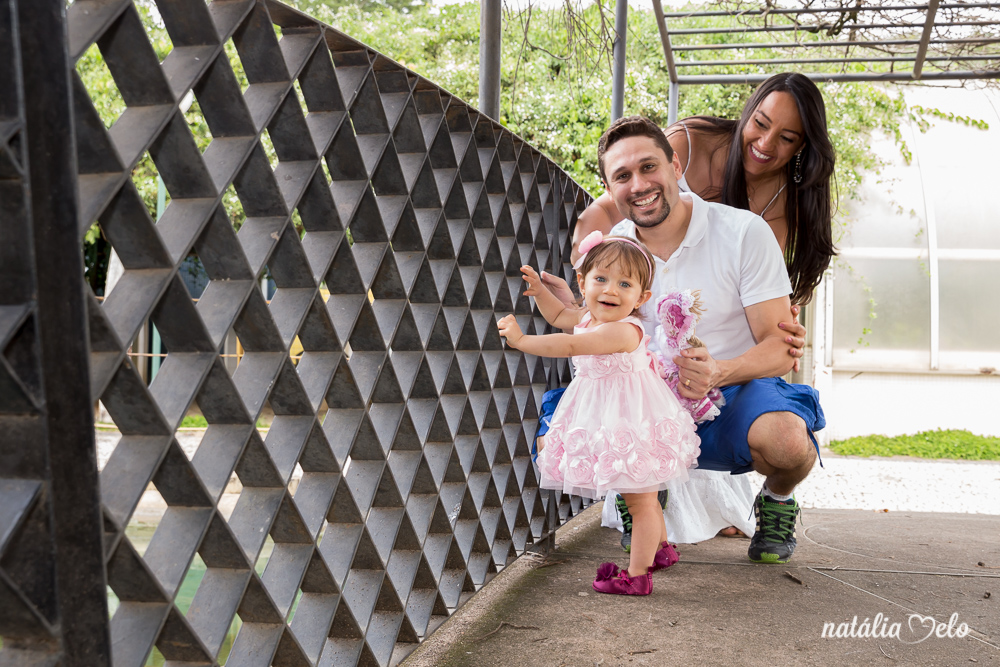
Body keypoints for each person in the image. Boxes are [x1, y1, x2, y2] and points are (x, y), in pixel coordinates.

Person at [542, 72, 835, 547]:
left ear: (676, 165)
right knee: (552, 434)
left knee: (787, 442)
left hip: (728, 393)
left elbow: (781, 347)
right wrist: (579, 303)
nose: (639, 185)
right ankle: (640, 492)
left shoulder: (745, 232)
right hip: (644, 402)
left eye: (649, 168)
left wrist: (720, 370)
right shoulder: (614, 254)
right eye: (622, 176)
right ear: (609, 189)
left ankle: (777, 500)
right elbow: (589, 326)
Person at [497, 234, 700, 596]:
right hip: (611, 415)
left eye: (625, 284)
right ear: (583, 282)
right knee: (640, 494)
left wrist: (522, 341)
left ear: (641, 298)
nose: (611, 290)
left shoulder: (623, 330)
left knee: (640, 500)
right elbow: (562, 316)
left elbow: (572, 344)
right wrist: (541, 293)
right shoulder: (590, 317)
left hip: (633, 420)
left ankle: (637, 576)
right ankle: (661, 551)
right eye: (601, 279)